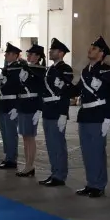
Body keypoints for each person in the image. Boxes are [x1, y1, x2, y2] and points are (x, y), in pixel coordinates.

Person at [75, 36, 110, 198]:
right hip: (85, 115)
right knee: (87, 152)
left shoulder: (107, 70)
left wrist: (108, 117)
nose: (89, 50)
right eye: (90, 47)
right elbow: (77, 89)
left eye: (93, 49)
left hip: (98, 115)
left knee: (97, 152)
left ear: (101, 53)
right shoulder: (86, 70)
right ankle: (91, 183)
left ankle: (99, 185)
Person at [39, 38, 74, 187]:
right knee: (51, 144)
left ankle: (60, 175)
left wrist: (63, 113)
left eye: (53, 50)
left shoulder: (65, 69)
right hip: (48, 110)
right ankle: (54, 172)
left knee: (58, 144)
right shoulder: (51, 69)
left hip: (57, 110)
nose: (50, 52)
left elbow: (65, 93)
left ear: (60, 53)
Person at [16, 44, 45, 177]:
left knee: (30, 136)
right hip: (23, 104)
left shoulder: (40, 70)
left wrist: (39, 109)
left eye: (31, 54)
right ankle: (27, 164)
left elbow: (41, 91)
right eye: (28, 54)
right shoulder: (25, 68)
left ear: (38, 57)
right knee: (24, 136)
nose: (28, 56)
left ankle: (30, 165)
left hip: (32, 105)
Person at [0, 43, 25, 170]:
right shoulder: (6, 68)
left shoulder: (18, 68)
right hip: (3, 103)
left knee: (11, 132)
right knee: (4, 132)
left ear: (15, 55)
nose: (5, 55)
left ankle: (12, 159)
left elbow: (20, 88)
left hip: (12, 103)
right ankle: (7, 156)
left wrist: (16, 107)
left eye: (8, 53)